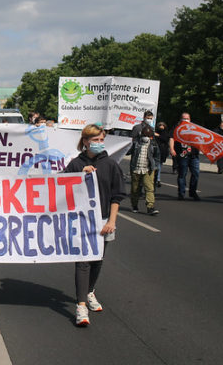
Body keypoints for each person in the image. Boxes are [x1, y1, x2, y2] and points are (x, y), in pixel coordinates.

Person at [63, 124, 125, 327]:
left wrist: (112, 221)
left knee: (98, 259)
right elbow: (59, 188)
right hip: (81, 220)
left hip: (104, 220)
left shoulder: (111, 164)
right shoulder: (75, 164)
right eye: (95, 140)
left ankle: (89, 291)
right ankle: (81, 305)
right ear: (85, 141)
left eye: (101, 140)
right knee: (83, 261)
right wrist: (80, 175)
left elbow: (117, 196)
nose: (99, 143)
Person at [128, 124, 160, 215]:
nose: (146, 137)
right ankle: (134, 205)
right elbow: (128, 151)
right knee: (135, 189)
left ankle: (150, 207)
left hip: (148, 170)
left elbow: (157, 156)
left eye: (148, 136)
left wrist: (155, 167)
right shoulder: (136, 143)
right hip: (136, 169)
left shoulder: (153, 145)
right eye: (144, 135)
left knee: (149, 188)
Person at [169, 112, 200, 200]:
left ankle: (193, 192)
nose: (185, 120)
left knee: (196, 174)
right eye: (184, 118)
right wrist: (172, 149)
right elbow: (171, 138)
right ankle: (181, 193)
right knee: (182, 174)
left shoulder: (195, 128)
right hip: (182, 154)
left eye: (187, 118)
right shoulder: (176, 127)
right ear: (180, 119)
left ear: (190, 119)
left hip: (194, 155)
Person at [154, 121, 170, 187]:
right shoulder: (155, 132)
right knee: (156, 165)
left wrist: (158, 136)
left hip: (162, 152)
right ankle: (156, 178)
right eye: (160, 125)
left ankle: (157, 179)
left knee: (159, 165)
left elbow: (165, 139)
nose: (161, 126)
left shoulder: (165, 133)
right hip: (155, 151)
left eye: (163, 125)